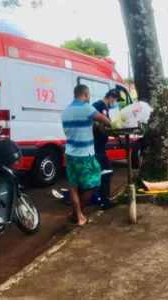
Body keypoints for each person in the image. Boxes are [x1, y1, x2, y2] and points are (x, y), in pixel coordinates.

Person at [61, 84, 111, 226]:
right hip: (85, 154)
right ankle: (78, 214)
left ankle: (76, 215)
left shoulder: (65, 111)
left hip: (70, 153)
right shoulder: (86, 107)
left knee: (73, 185)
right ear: (86, 95)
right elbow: (105, 120)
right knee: (94, 182)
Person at [92, 89, 125, 210]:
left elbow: (105, 128)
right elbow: (99, 126)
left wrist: (117, 135)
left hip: (100, 147)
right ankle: (102, 201)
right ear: (111, 97)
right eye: (116, 100)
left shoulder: (105, 108)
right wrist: (115, 132)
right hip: (96, 147)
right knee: (103, 173)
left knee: (104, 173)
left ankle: (102, 200)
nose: (116, 103)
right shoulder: (98, 106)